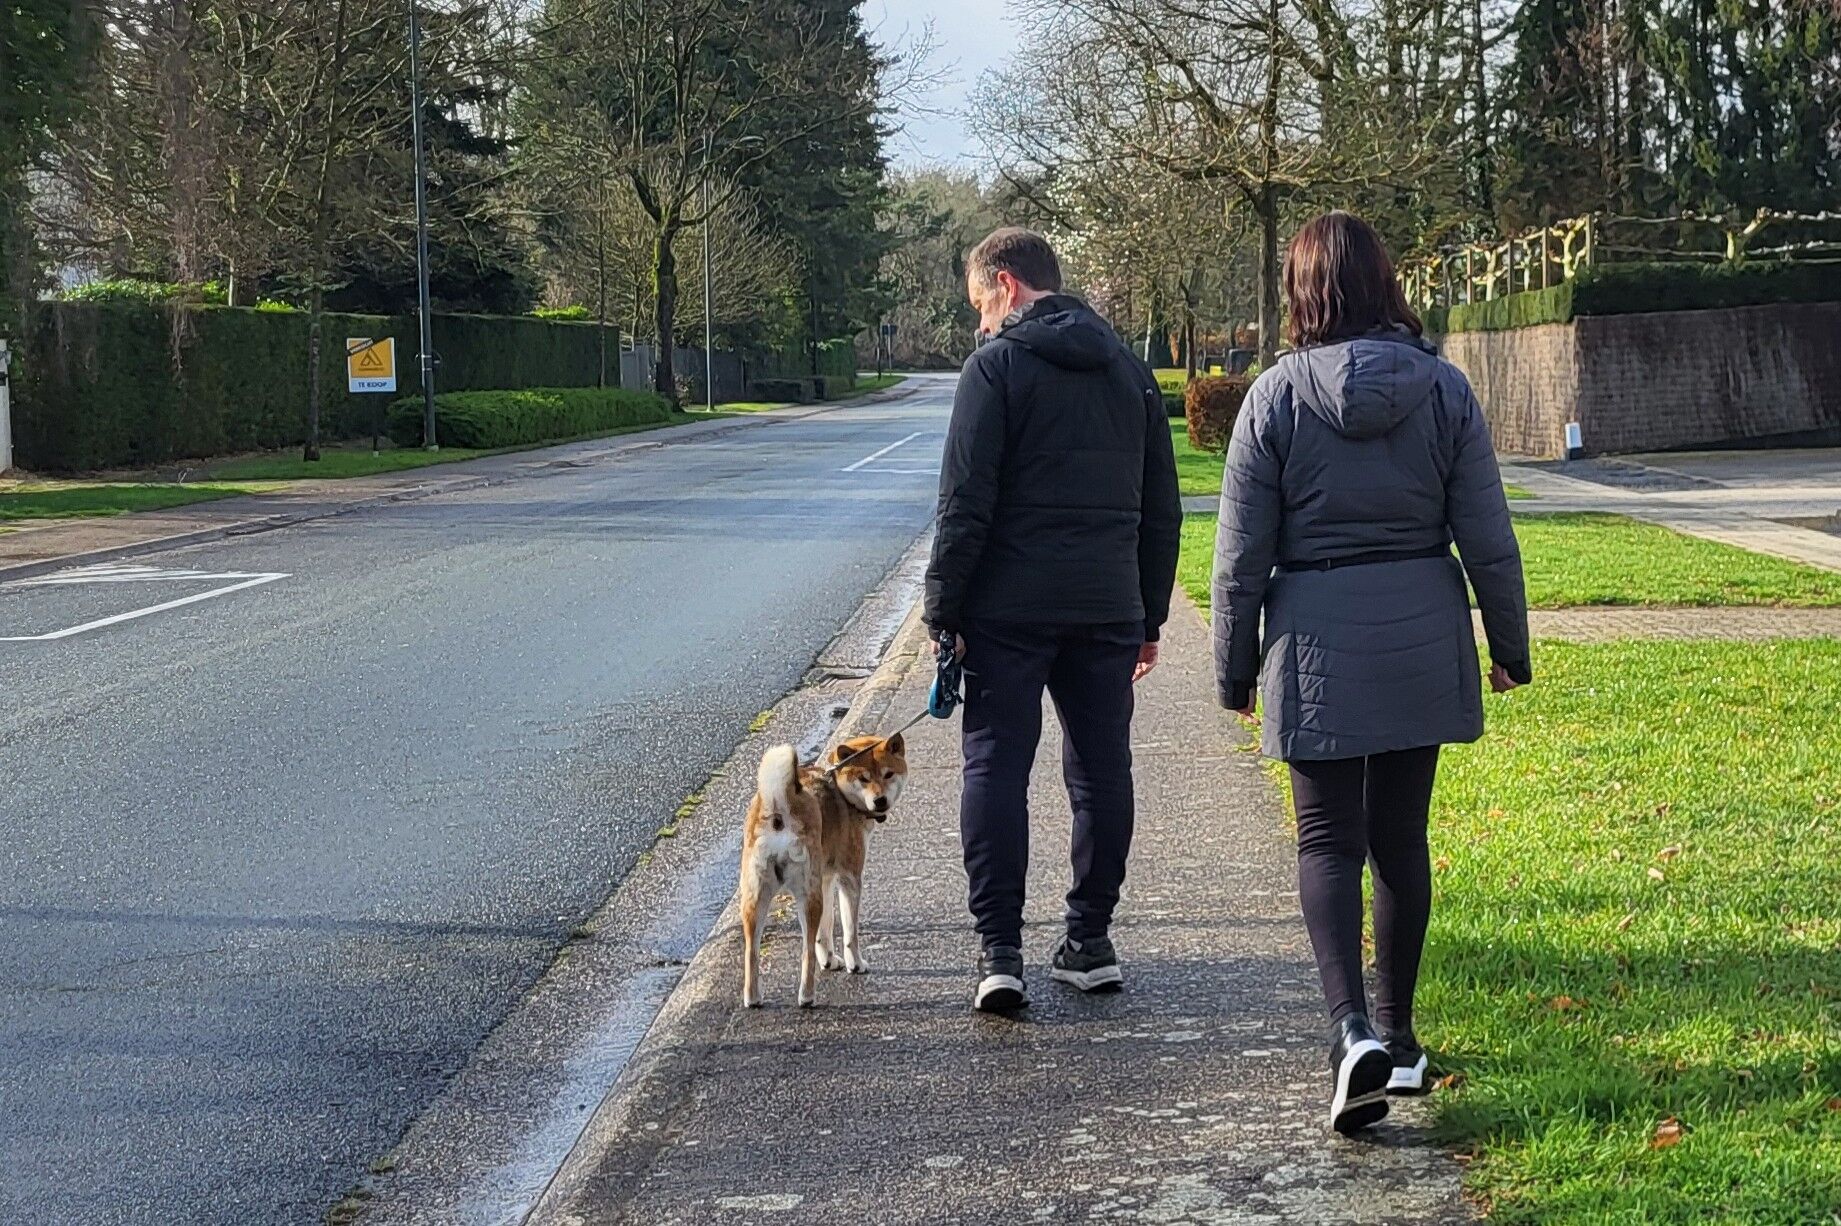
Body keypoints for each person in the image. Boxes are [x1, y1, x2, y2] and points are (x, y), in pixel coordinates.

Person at [1212, 211, 1530, 1133]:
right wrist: (1509, 649)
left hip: (1313, 636)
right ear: (1386, 282)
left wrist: (1233, 671)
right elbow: (1488, 536)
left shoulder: (1273, 398)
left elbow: (1238, 557)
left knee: (1325, 842)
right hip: (1419, 627)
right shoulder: (1443, 389)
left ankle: (1349, 1031)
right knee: (1399, 837)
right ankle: (1398, 1036)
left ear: (1301, 292)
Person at [924, 227, 1183, 1013]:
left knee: (994, 766)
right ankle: (1089, 941)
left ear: (1004, 285)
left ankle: (998, 951)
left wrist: (943, 609)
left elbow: (964, 502)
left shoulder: (993, 368)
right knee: (1101, 770)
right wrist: (1148, 615)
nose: (979, 323)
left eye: (979, 304)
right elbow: (1161, 509)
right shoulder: (1129, 373)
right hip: (1105, 603)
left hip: (1006, 608)